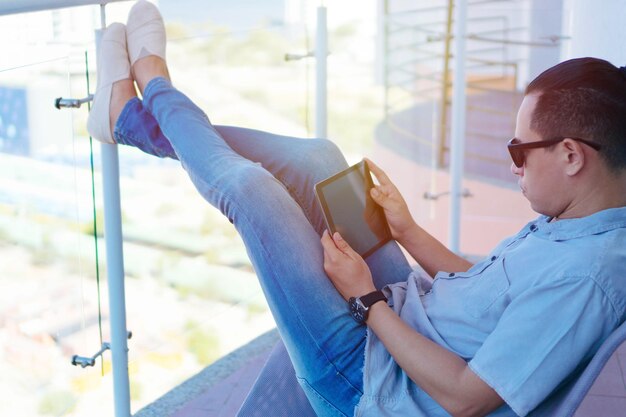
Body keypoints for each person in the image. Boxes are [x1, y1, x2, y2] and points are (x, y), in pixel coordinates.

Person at [87, 2, 626, 416]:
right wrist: (408, 231)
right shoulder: (578, 220)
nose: (512, 166)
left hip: (374, 381)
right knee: (319, 158)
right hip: (410, 317)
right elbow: (491, 292)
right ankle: (136, 123)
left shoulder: (585, 278)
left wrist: (366, 300)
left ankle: (154, 87)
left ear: (572, 155)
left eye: (519, 151)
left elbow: (467, 399)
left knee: (252, 191)